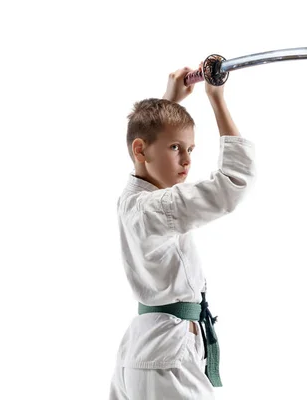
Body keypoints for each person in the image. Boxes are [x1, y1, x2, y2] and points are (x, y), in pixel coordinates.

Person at [108, 63, 257, 400]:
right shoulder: (155, 208)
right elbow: (233, 183)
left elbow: (147, 141)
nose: (186, 160)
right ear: (140, 150)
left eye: (190, 149)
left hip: (149, 353)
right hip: (164, 361)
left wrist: (170, 103)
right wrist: (216, 100)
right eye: (176, 148)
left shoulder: (135, 199)